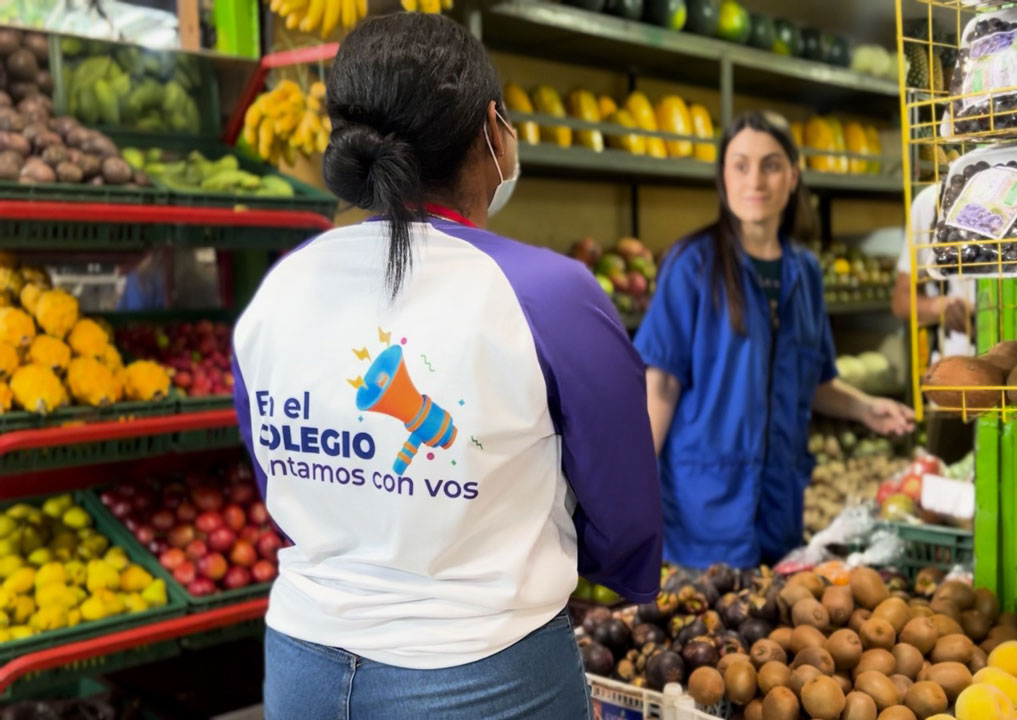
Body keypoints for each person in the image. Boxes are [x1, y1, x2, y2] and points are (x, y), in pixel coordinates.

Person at [231, 14, 661, 719]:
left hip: (301, 662)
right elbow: (623, 508)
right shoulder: (551, 294)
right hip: (485, 674)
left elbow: (278, 473)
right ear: (493, 130)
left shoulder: (281, 287)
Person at [635, 111, 914, 572]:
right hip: (702, 509)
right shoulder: (692, 265)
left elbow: (813, 381)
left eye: (771, 165)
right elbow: (661, 383)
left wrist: (865, 408)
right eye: (740, 165)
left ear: (793, 176)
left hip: (780, 508)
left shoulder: (805, 272)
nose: (755, 180)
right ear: (723, 177)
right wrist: (634, 488)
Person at [891, 185, 977, 462]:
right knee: (945, 475)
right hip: (952, 387)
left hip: (1016, 383)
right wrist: (941, 307)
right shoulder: (930, 203)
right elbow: (901, 300)